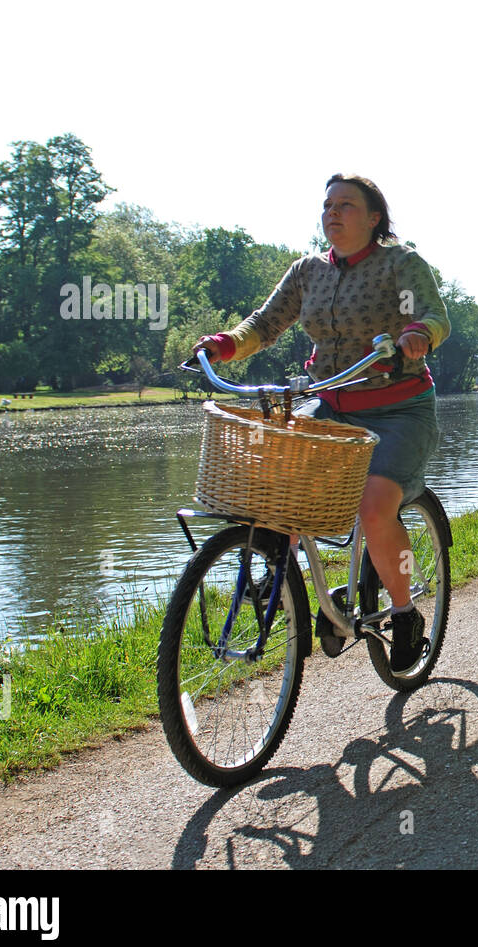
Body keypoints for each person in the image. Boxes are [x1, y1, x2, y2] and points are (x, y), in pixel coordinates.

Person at [193, 174, 450, 671]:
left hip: (397, 407)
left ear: (374, 218)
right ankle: (280, 571)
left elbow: (433, 316)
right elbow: (264, 324)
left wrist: (417, 334)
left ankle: (404, 612)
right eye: (328, 204)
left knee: (375, 508)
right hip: (328, 404)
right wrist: (225, 344)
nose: (333, 213)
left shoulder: (400, 265)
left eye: (346, 205)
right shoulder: (308, 271)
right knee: (276, 486)